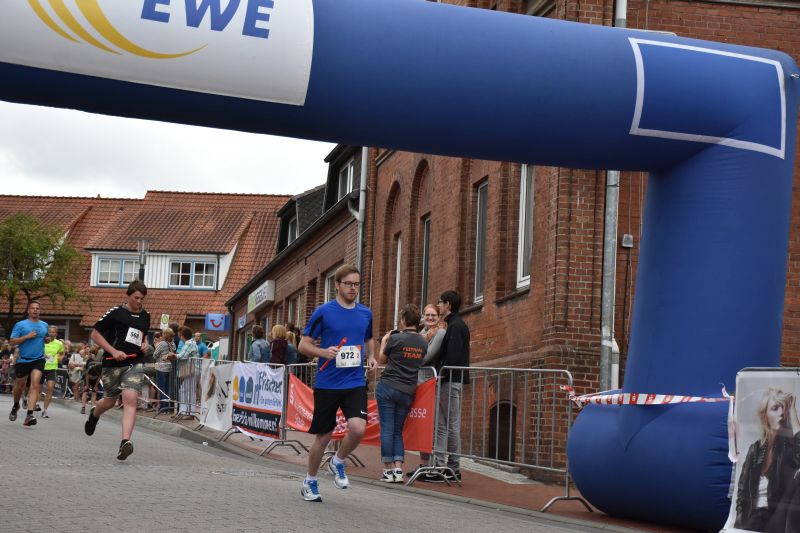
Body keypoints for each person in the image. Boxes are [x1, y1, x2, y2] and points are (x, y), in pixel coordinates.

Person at [298, 264, 377, 502]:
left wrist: (372, 356)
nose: (353, 288)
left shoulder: (365, 313)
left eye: (357, 284)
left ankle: (338, 461)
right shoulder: (324, 312)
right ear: (338, 285)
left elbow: (368, 338)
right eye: (349, 284)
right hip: (328, 383)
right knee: (324, 436)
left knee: (358, 428)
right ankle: (310, 481)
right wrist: (323, 352)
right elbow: (303, 345)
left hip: (354, 381)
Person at [84, 280, 151, 461]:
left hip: (134, 363)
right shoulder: (115, 313)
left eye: (142, 299)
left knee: (131, 400)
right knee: (109, 401)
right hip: (112, 363)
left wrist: (145, 344)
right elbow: (95, 334)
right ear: (128, 296)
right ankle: (94, 414)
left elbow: (144, 336)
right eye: (136, 298)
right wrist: (113, 351)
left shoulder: (146, 315)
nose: (139, 302)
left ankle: (125, 442)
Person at [735, 387, 800, 532]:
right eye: (775, 408)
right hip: (752, 519)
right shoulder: (755, 450)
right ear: (765, 416)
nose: (781, 412)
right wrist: (740, 522)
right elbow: (741, 492)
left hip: (775, 518)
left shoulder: (787, 448)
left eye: (783, 408)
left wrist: (793, 412)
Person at [376, 304, 427, 483]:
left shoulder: (395, 338)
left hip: (388, 386)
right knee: (397, 430)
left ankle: (387, 470)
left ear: (404, 320)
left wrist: (384, 341)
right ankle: (398, 469)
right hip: (408, 390)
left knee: (387, 428)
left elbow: (382, 360)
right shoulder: (423, 342)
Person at [424, 290, 470, 482]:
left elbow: (452, 357)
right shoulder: (453, 325)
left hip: (450, 380)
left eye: (441, 302)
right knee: (443, 423)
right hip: (447, 380)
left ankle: (453, 467)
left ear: (448, 305)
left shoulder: (456, 326)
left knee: (450, 423)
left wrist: (440, 373)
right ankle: (441, 466)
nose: (439, 305)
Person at [8, 301, 48, 426]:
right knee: (19, 387)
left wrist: (47, 339)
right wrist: (26, 337)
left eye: (37, 308)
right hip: (23, 360)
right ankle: (16, 405)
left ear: (39, 311)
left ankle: (29, 415)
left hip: (38, 359)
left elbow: (46, 338)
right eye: (33, 308)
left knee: (35, 385)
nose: (35, 310)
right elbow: (12, 342)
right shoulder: (20, 325)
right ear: (28, 311)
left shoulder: (44, 325)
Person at [40, 325, 64, 418]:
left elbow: (62, 353)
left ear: (56, 333)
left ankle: (45, 410)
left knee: (50, 388)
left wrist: (59, 358)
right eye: (50, 332)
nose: (51, 333)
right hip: (41, 367)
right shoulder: (42, 341)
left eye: (53, 332)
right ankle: (35, 404)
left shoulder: (59, 344)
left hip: (52, 367)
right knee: (38, 388)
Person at [153, 328, 177, 413]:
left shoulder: (162, 343)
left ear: (165, 335)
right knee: (167, 388)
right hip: (169, 367)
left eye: (163, 333)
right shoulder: (172, 344)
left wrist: (156, 346)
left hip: (161, 367)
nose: (162, 334)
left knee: (161, 388)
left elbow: (155, 355)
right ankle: (168, 407)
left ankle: (163, 408)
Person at [81, 347, 102, 415]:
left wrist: (96, 386)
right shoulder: (90, 362)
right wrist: (87, 385)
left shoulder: (100, 363)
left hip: (95, 378)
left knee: (94, 392)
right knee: (86, 391)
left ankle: (92, 408)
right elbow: (87, 375)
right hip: (88, 377)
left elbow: (99, 376)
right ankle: (83, 407)